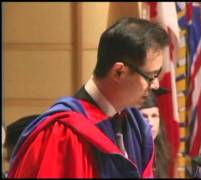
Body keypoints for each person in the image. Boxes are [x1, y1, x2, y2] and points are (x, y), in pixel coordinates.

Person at [8, 17, 169, 178]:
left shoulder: (137, 127)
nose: (155, 85)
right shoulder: (61, 134)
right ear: (119, 72)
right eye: (150, 76)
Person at [139, 88, 172, 178]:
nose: (150, 123)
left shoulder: (161, 151)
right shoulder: (131, 153)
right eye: (144, 116)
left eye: (154, 116)